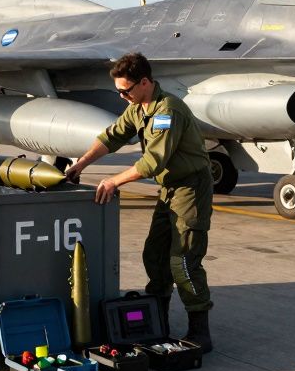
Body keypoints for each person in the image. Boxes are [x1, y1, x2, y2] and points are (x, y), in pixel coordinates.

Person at [64, 52, 216, 352]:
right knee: (155, 256)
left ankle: (200, 331)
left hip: (190, 189)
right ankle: (159, 323)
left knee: (182, 260)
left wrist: (113, 181)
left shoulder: (166, 111)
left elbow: (153, 162)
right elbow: (112, 136)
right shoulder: (138, 108)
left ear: (145, 82)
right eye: (119, 91)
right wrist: (80, 165)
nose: (122, 97)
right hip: (169, 190)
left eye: (126, 90)